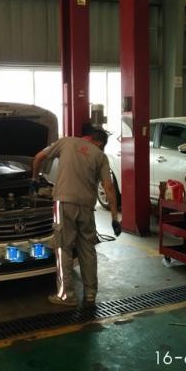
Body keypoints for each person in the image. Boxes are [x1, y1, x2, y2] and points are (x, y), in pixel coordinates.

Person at [32, 128, 121, 307]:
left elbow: (39, 157)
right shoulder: (100, 156)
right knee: (87, 249)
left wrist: (34, 179)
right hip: (87, 206)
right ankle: (90, 294)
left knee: (63, 248)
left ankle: (67, 295)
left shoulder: (66, 142)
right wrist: (114, 217)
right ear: (99, 143)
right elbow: (109, 187)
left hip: (64, 203)